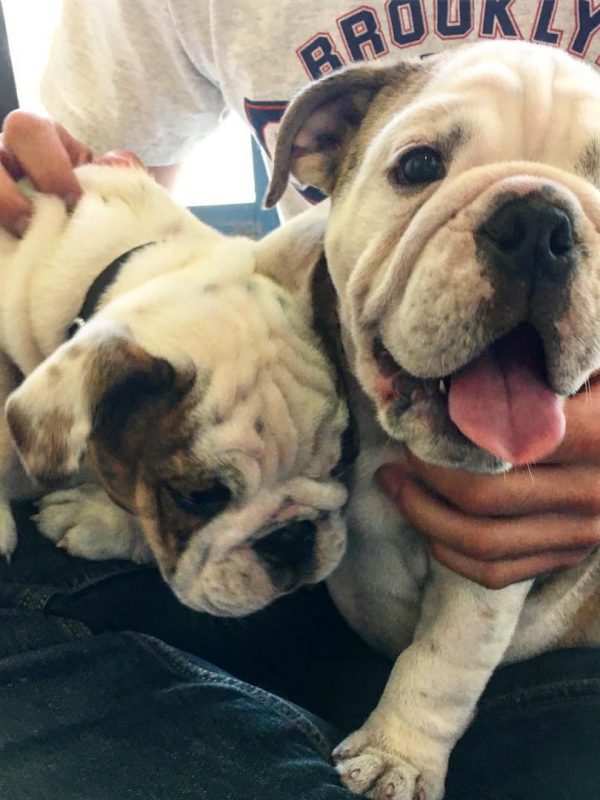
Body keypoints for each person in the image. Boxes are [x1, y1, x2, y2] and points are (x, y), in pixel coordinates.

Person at [1, 2, 600, 798]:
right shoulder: (277, 267)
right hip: (295, 559)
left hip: (546, 648)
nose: (535, 240)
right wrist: (39, 214)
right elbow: (95, 218)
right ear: (319, 151)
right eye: (421, 166)